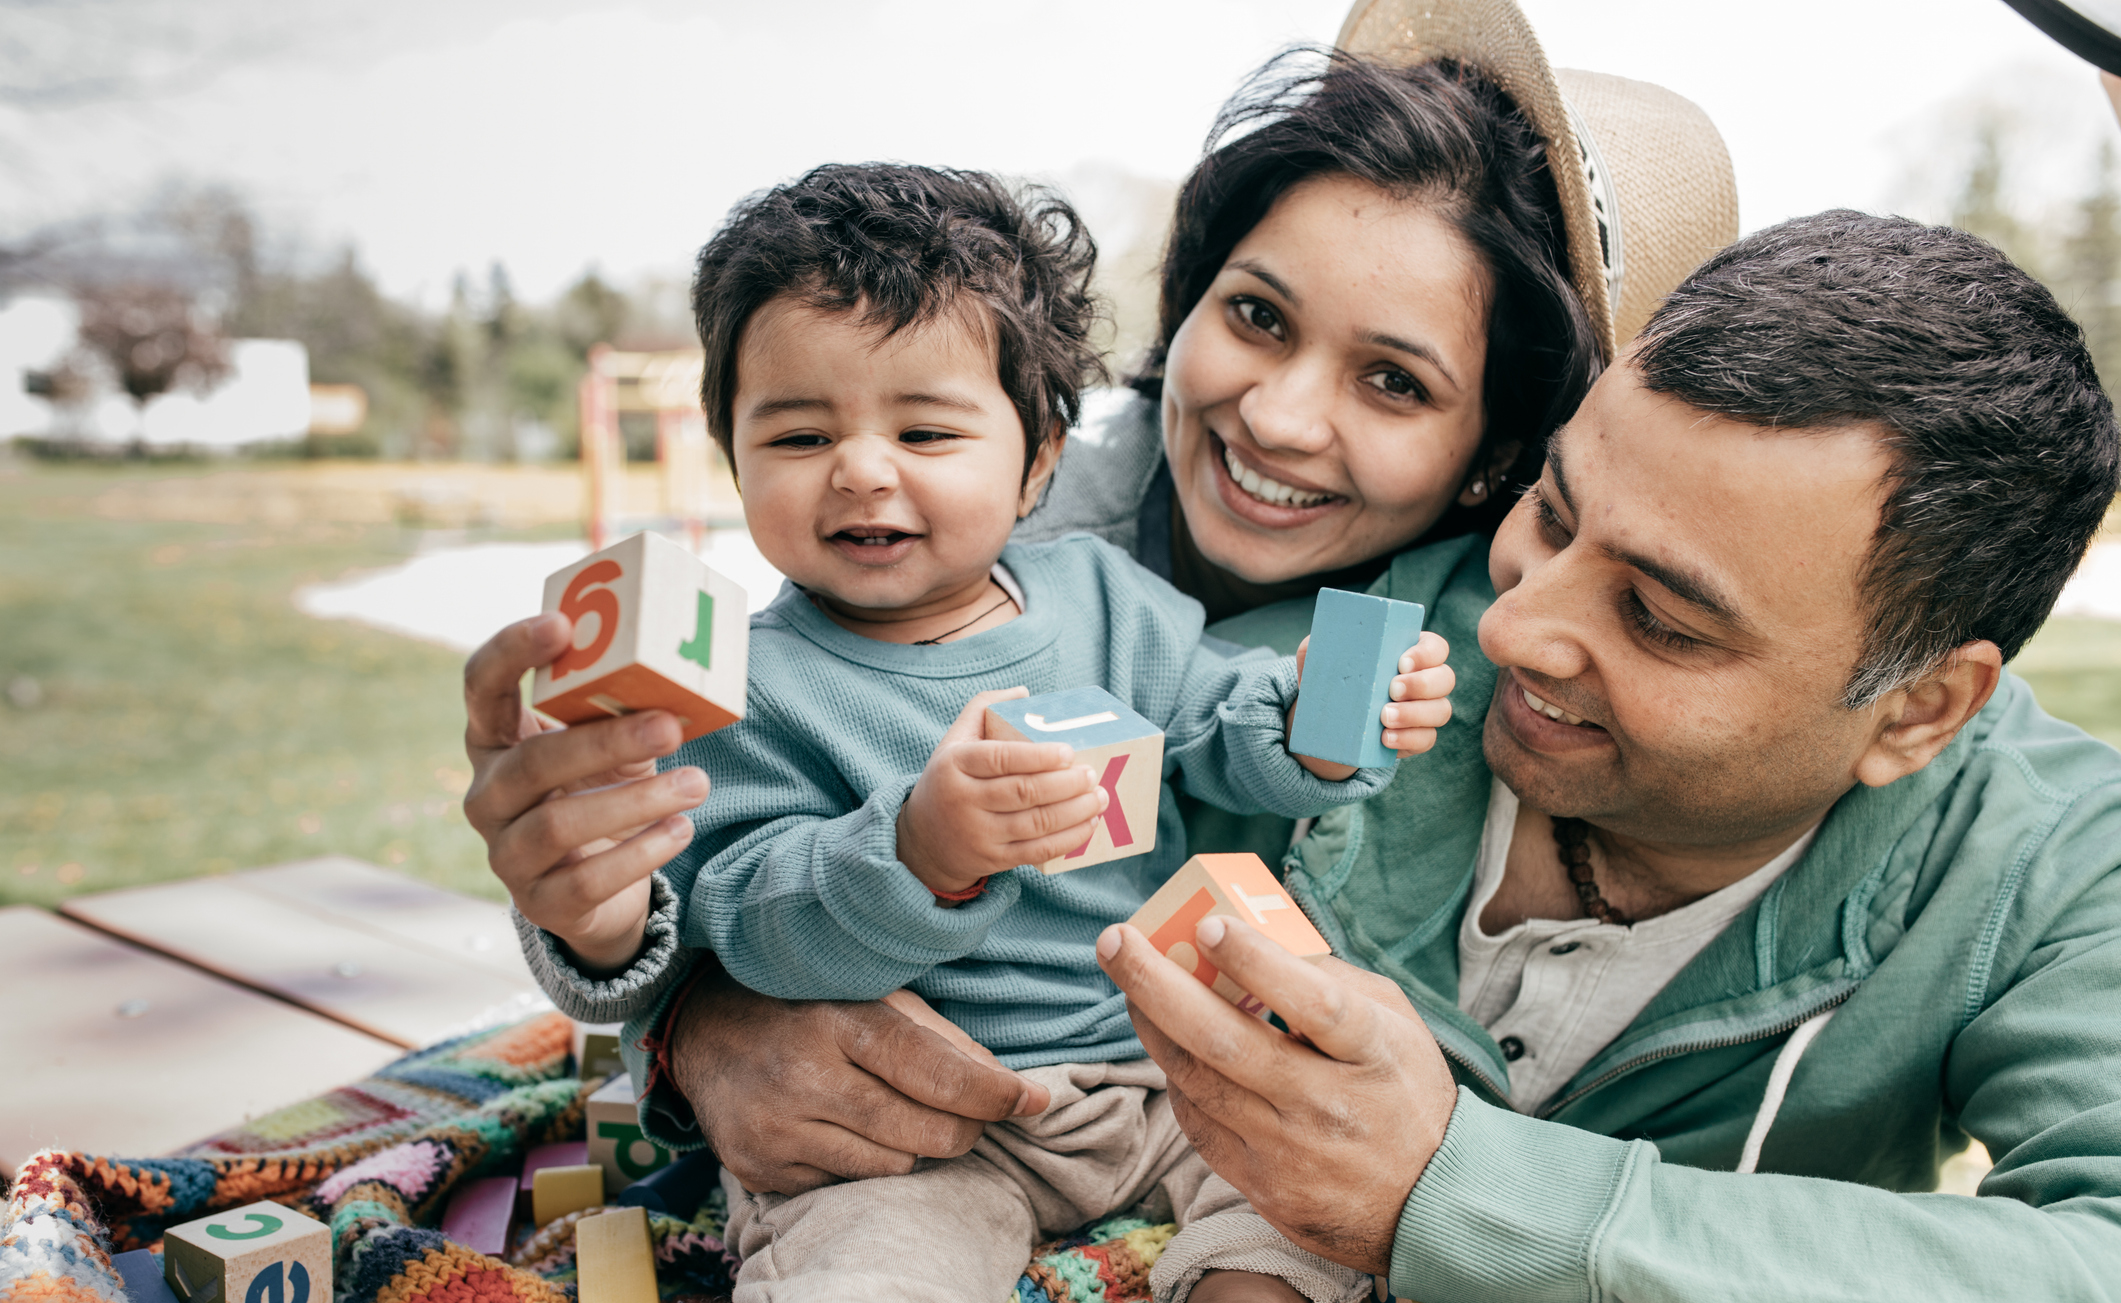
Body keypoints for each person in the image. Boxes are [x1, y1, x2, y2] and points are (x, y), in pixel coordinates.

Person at [456, 0, 1737, 1224]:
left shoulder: (1487, 644)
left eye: (1395, 381)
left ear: (1493, 458)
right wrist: (687, 1015)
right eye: (1254, 315)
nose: (1281, 417)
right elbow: (711, 847)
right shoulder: (969, 523)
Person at [1095, 209, 2121, 1303]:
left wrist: (1464, 1187)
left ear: (1919, 711)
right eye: (1553, 513)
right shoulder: (1304, 677)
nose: (1510, 628)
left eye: (1662, 620)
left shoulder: (2055, 857)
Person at [509, 160, 1455, 1303]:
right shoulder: (748, 685)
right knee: (862, 1287)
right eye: (798, 434)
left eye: (924, 431)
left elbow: (1230, 725)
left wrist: (1329, 731)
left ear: (1037, 460)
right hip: (913, 1127)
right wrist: (916, 849)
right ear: (734, 463)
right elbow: (745, 917)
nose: (857, 469)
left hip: (1155, 1075)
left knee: (1303, 1176)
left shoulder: (1107, 604)